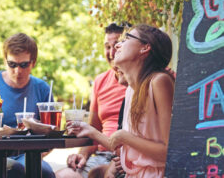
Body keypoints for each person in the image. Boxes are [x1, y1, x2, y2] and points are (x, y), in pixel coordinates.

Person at [67, 24, 175, 178]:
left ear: (145, 48)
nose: (117, 45)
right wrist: (90, 131)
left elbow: (169, 151)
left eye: (126, 39)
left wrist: (124, 137)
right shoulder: (131, 90)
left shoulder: (159, 81)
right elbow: (129, 148)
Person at [0, 33, 55, 178]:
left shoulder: (42, 89)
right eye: (12, 64)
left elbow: (53, 134)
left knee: (44, 173)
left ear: (33, 62)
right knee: (13, 170)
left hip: (26, 155)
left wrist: (36, 154)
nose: (17, 71)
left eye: (24, 65)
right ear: (5, 61)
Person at [56, 23, 128, 178]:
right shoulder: (100, 81)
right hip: (102, 156)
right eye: (107, 47)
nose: (110, 53)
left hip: (126, 159)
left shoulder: (142, 82)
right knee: (63, 175)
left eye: (116, 46)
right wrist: (82, 155)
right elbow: (94, 128)